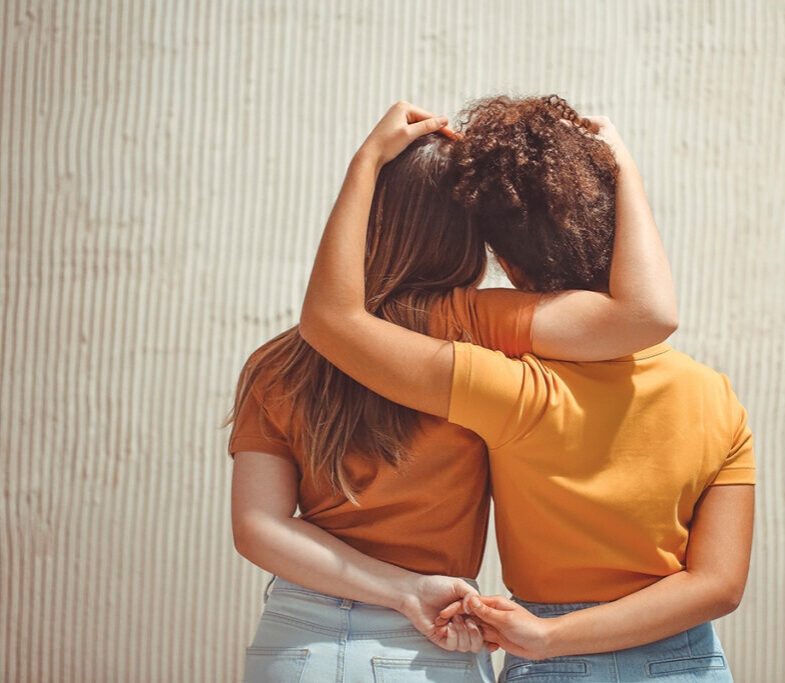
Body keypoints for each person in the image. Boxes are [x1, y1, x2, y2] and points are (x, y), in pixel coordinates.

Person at [299, 97, 755, 681]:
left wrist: (367, 161)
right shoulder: (718, 399)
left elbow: (333, 321)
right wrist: (624, 169)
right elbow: (719, 586)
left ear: (510, 269)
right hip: (690, 659)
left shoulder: (509, 389)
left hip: (557, 663)